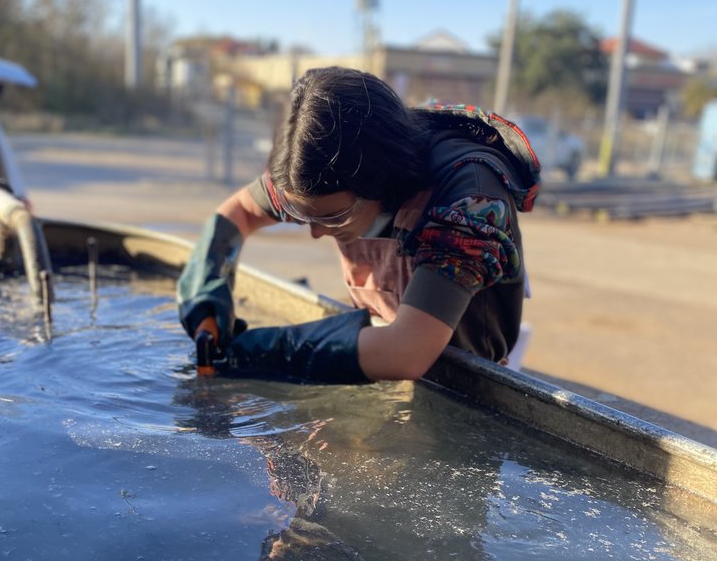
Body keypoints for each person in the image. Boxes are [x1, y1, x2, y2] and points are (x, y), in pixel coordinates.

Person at [177, 66, 540, 384]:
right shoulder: (317, 170)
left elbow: (406, 351)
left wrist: (257, 352)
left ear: (381, 183)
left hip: (463, 388)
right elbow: (238, 211)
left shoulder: (469, 200)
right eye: (304, 216)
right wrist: (207, 289)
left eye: (331, 218)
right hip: (380, 355)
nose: (316, 233)